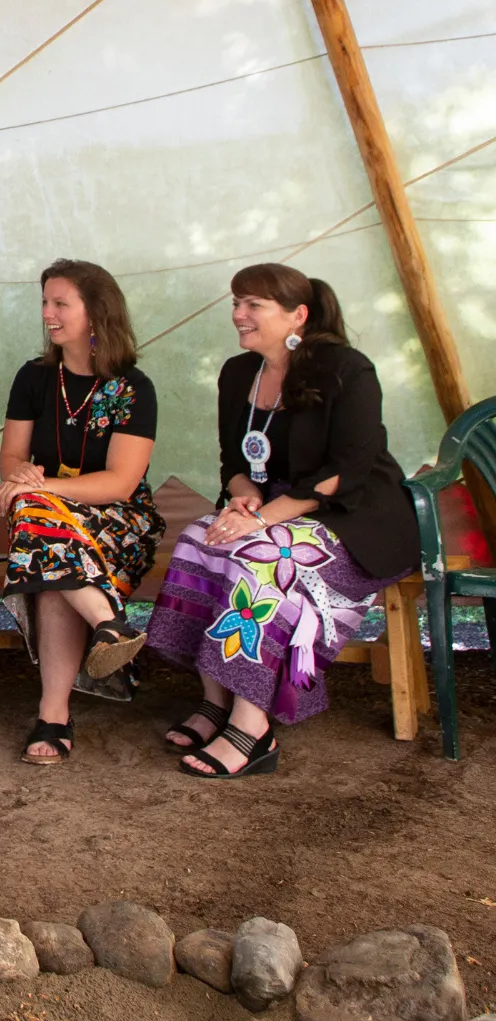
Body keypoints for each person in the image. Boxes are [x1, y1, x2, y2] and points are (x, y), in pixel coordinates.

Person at [146, 264, 417, 778]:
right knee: (199, 538)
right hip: (273, 508)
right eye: (236, 303)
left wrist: (263, 520)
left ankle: (252, 729)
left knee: (265, 558)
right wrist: (245, 499)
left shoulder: (345, 369)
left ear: (298, 315)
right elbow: (233, 461)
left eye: (254, 305)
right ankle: (216, 699)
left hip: (354, 517)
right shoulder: (238, 373)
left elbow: (348, 469)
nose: (239, 314)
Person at [0, 259, 164, 766]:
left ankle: (54, 715)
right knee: (45, 539)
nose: (48, 312)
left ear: (96, 312)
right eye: (45, 302)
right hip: (50, 523)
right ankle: (110, 625)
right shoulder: (34, 378)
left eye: (60, 303)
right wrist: (23, 476)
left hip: (118, 522)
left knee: (40, 529)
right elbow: (11, 458)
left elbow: (120, 483)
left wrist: (40, 487)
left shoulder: (133, 388)